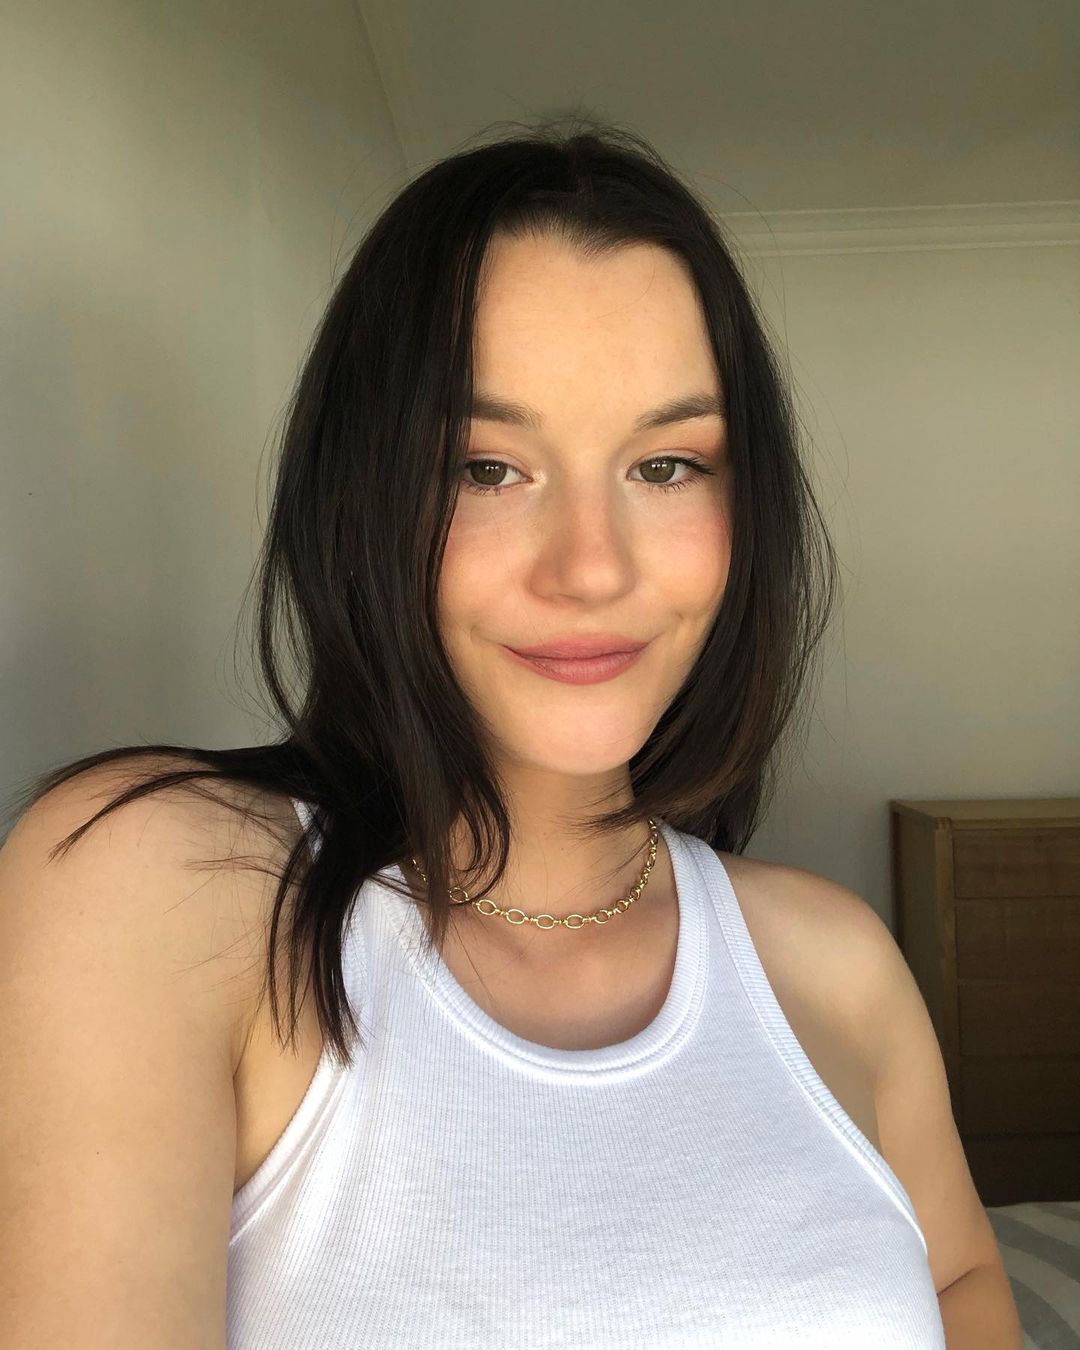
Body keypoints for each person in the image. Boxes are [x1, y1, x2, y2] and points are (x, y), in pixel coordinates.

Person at [1, 117, 1014, 1348]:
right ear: (361, 496)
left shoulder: (839, 965)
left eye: (667, 467)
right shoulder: (162, 887)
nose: (591, 568)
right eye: (486, 468)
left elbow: (963, 1284)